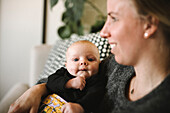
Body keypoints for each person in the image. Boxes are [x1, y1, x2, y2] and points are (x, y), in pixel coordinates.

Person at [8, 0, 170, 113]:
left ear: (148, 25)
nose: (103, 32)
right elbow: (59, 77)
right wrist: (37, 90)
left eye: (114, 18)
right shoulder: (115, 65)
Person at [38, 40, 105, 113]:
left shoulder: (96, 81)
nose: (83, 62)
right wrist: (69, 83)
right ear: (67, 65)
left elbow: (94, 97)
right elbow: (50, 83)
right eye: (76, 59)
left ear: (99, 64)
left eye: (90, 59)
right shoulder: (63, 73)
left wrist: (79, 107)